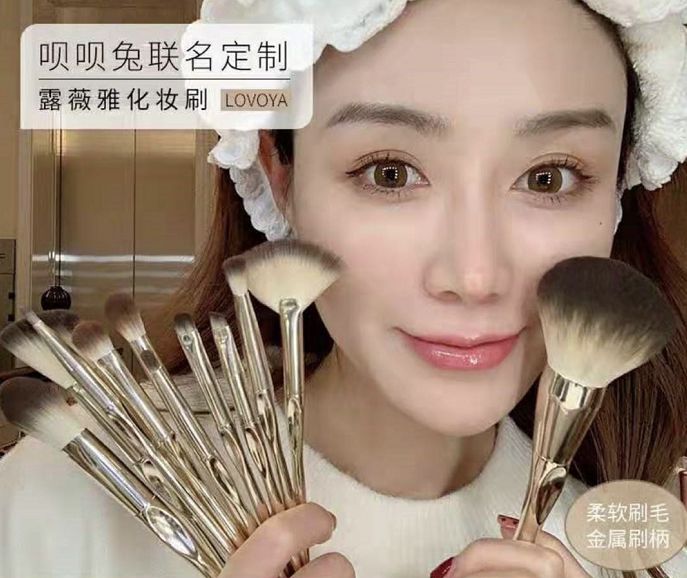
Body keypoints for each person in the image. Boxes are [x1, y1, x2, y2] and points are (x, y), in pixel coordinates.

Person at [1, 0, 686, 577]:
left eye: (548, 178)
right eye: (389, 173)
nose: (474, 276)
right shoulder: (67, 506)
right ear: (279, 177)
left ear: (617, 192)